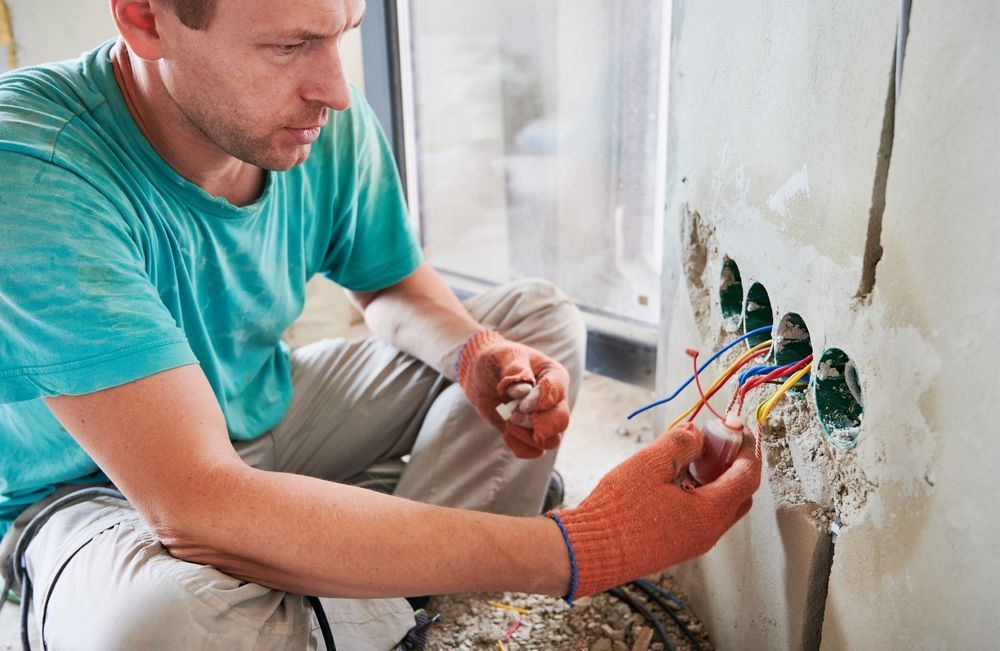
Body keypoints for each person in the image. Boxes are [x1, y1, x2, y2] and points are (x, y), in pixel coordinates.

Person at [0, 0, 762, 648]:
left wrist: (475, 356)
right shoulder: (33, 166)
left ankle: (343, 555)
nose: (333, 88)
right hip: (83, 487)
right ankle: (375, 557)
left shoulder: (311, 119)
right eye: (289, 45)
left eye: (345, 29)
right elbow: (193, 504)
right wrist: (585, 545)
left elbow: (392, 285)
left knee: (536, 320)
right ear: (144, 19)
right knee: (172, 622)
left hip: (257, 408)